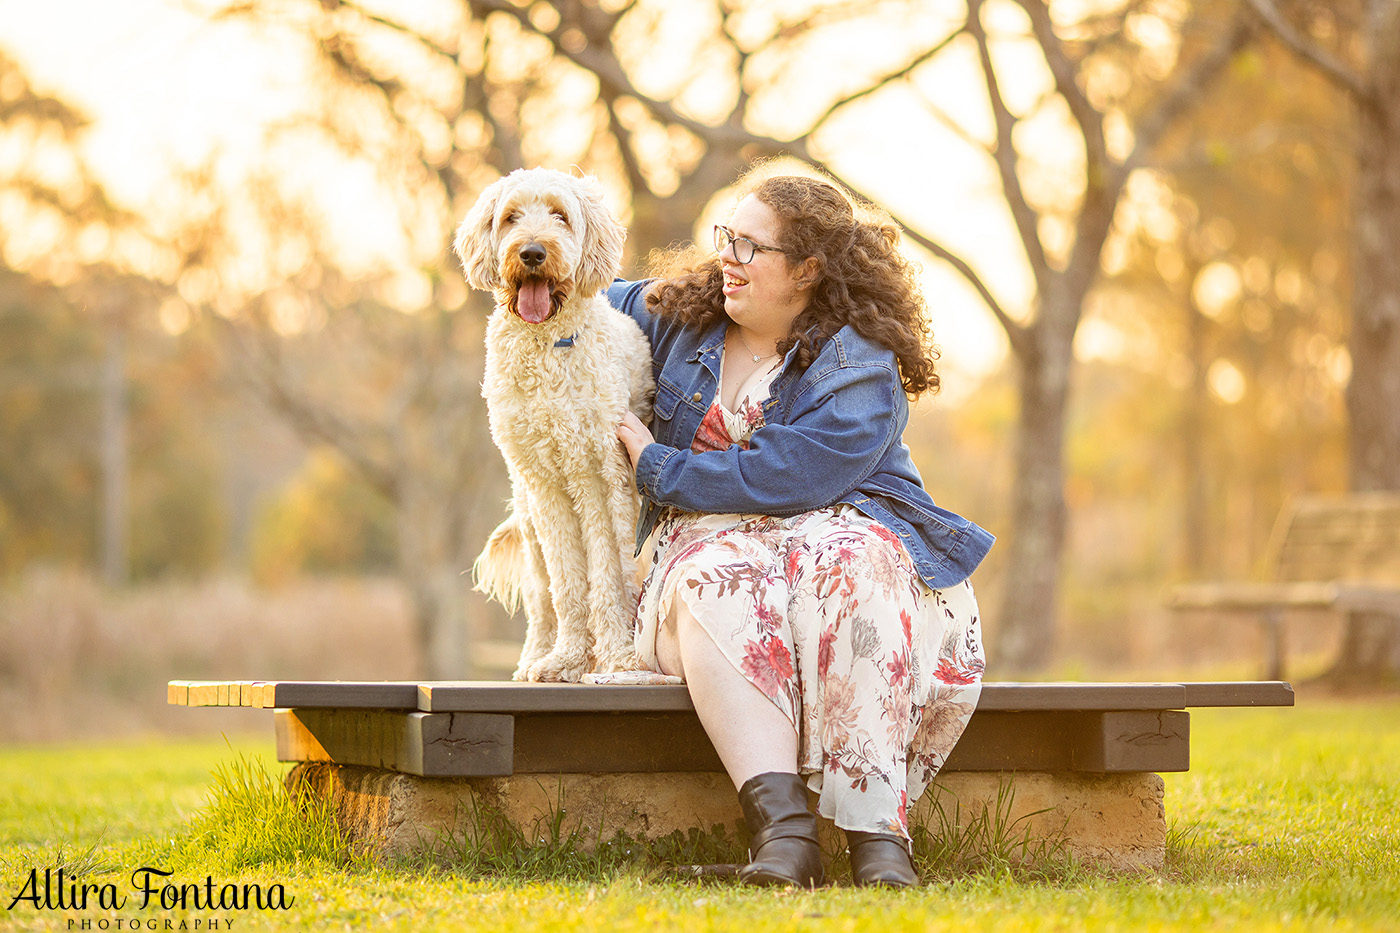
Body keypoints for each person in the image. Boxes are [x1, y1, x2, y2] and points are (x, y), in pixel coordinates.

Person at [609, 173, 993, 888]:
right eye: (727, 237)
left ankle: (879, 840)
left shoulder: (860, 363)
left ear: (807, 269)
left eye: (751, 246)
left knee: (854, 563)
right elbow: (584, 295)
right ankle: (784, 838)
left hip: (835, 534)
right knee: (715, 577)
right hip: (709, 542)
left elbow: (785, 476)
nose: (729, 256)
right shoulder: (679, 317)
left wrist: (658, 465)